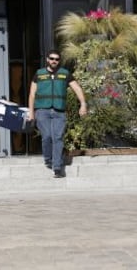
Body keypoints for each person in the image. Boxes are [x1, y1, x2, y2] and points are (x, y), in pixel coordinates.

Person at [28, 49, 87, 178]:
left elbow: (77, 88)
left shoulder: (65, 74)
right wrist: (31, 112)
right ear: (47, 60)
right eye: (52, 59)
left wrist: (83, 104)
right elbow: (32, 94)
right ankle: (48, 159)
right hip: (42, 111)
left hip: (59, 111)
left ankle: (57, 167)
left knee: (58, 137)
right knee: (47, 136)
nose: (54, 61)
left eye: (57, 59)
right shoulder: (39, 74)